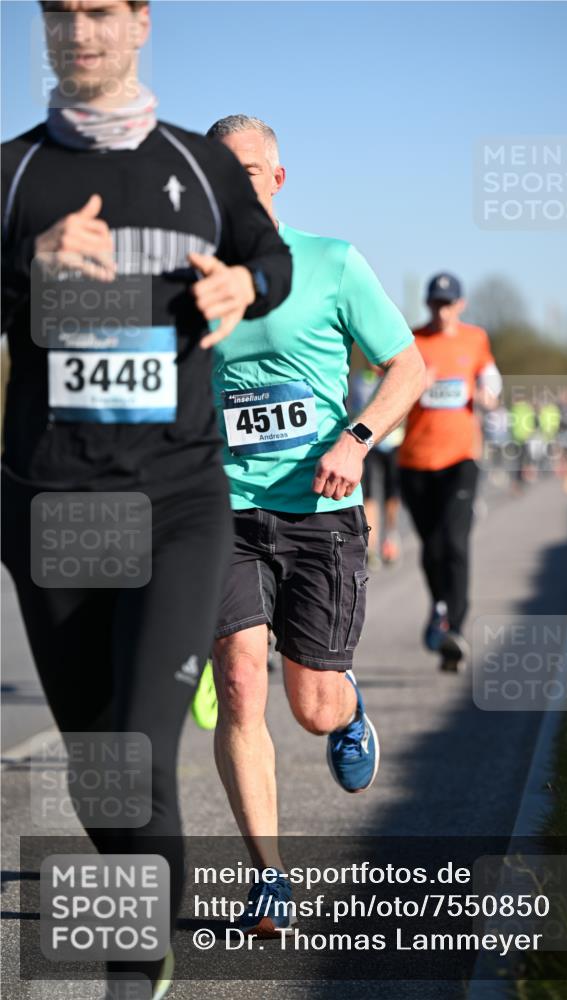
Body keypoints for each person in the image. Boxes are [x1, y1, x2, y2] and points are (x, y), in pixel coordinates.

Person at [1, 4, 291, 998]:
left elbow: (275, 258)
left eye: (98, 10)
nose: (77, 28)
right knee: (97, 771)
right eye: (58, 11)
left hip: (177, 503)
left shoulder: (201, 166)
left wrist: (244, 284)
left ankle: (135, 968)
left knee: (136, 750)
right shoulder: (11, 176)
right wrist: (25, 271)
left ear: (138, 23)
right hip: (50, 505)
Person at [192, 114, 424, 935]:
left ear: (277, 180)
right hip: (227, 510)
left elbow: (409, 366)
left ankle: (348, 705)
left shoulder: (331, 263)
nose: (239, 185)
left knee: (312, 709)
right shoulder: (187, 282)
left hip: (322, 511)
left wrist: (357, 440)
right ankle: (269, 879)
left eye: (252, 171)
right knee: (240, 681)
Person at [398, 273, 501, 671]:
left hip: (461, 458)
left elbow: (489, 373)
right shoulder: (411, 340)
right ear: (428, 305)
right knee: (430, 548)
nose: (441, 311)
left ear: (461, 304)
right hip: (416, 462)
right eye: (435, 304)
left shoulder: (475, 339)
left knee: (454, 542)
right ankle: (440, 606)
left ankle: (454, 626)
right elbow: (382, 378)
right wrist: (414, 382)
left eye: (448, 303)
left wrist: (490, 391)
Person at [348, 362, 404, 568]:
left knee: (392, 494)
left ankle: (390, 537)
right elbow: (352, 409)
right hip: (368, 446)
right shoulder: (358, 378)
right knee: (369, 494)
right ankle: (371, 548)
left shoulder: (393, 375)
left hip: (394, 442)